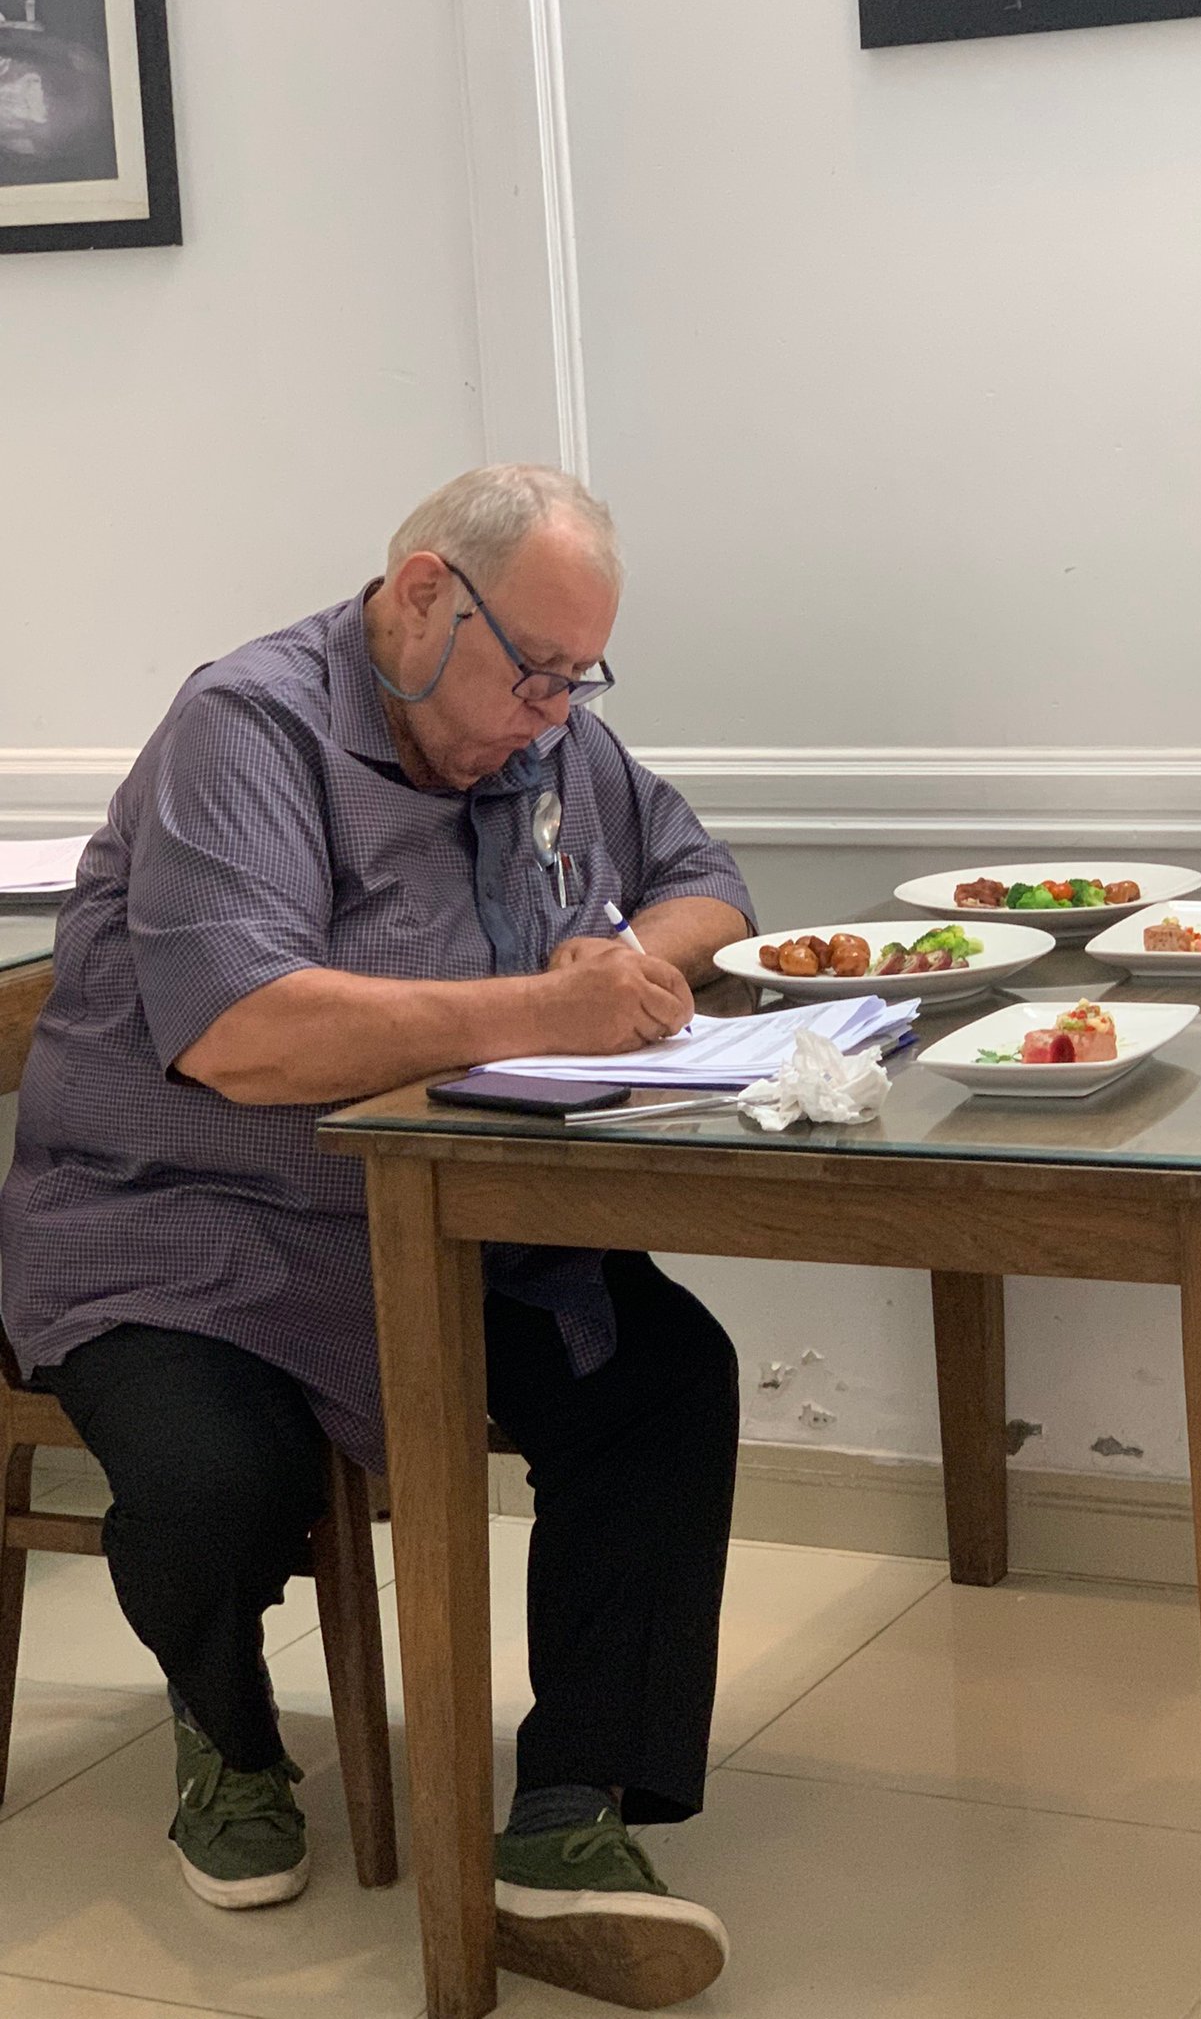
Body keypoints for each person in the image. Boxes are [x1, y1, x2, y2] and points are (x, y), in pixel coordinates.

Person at [0, 465, 754, 2009]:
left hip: (444, 1216)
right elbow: (245, 1031)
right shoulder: (249, 729)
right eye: (533, 670)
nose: (553, 712)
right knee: (217, 1475)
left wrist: (625, 961)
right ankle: (227, 1731)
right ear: (423, 596)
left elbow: (704, 886)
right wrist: (542, 1008)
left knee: (665, 1376)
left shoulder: (544, 735)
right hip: (186, 1227)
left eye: (580, 676)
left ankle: (571, 1808)